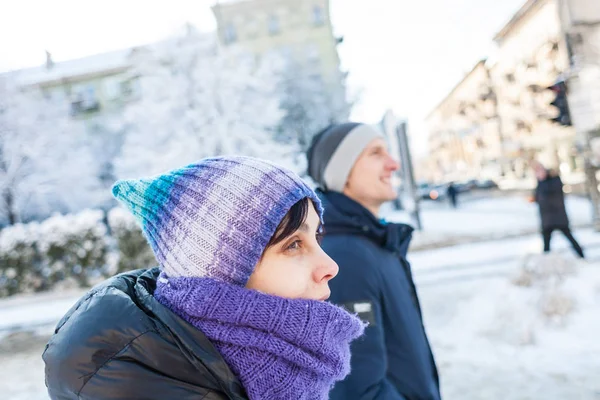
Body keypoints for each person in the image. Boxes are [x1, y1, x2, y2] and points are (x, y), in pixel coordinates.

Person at [43, 156, 365, 400]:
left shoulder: (287, 371)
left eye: (316, 238)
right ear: (221, 274)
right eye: (293, 244)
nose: (330, 266)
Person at [307, 123, 441, 400]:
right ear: (341, 173)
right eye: (376, 153)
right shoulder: (344, 257)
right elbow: (358, 387)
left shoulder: (375, 244)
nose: (393, 164)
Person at [532, 161, 584, 258]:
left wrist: (542, 182)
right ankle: (546, 261)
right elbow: (538, 198)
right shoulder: (540, 183)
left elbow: (550, 195)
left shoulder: (553, 180)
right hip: (547, 218)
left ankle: (581, 255)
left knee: (569, 237)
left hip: (558, 217)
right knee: (546, 243)